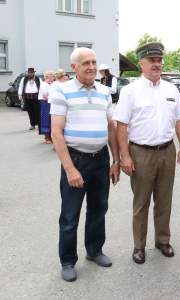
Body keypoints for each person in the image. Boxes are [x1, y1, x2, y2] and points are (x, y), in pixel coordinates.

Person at [113, 42, 180, 264]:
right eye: (152, 60)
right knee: (141, 203)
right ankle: (139, 246)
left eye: (159, 60)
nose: (157, 64)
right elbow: (121, 126)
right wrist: (124, 156)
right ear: (141, 64)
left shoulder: (171, 89)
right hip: (141, 153)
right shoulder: (130, 91)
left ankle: (163, 241)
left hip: (167, 150)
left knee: (164, 201)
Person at [50, 47, 120, 282]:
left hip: (100, 159)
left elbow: (111, 128)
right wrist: (70, 169)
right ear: (74, 67)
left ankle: (94, 250)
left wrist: (116, 160)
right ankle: (68, 261)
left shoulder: (104, 91)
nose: (91, 67)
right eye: (85, 63)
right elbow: (57, 132)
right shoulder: (62, 89)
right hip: (76, 159)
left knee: (99, 209)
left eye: (93, 62)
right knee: (70, 215)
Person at [38, 70, 55, 144]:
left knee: (52, 119)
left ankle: (52, 137)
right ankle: (46, 137)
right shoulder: (43, 84)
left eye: (53, 76)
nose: (53, 77)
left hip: (52, 102)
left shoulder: (54, 84)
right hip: (45, 103)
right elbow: (45, 95)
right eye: (52, 76)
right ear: (48, 76)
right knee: (46, 119)